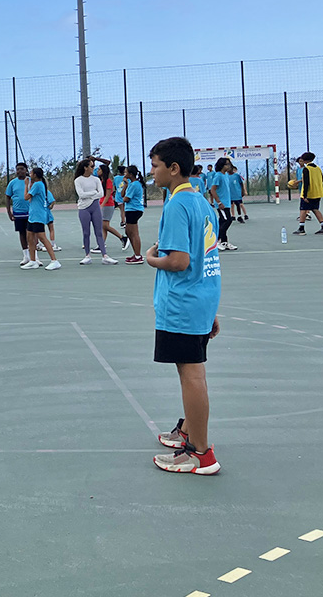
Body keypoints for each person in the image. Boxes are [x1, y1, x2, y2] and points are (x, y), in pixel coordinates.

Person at [145, 136, 222, 475]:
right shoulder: (202, 203)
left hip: (182, 303)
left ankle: (200, 453)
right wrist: (211, 309)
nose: (152, 172)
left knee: (191, 374)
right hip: (201, 299)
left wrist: (151, 259)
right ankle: (189, 433)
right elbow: (206, 258)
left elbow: (178, 260)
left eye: (156, 166)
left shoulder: (176, 204)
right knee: (193, 372)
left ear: (173, 169)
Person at [74, 160, 114, 265]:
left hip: (95, 207)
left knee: (99, 232)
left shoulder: (96, 179)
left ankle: (104, 256)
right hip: (84, 208)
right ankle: (87, 255)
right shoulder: (78, 180)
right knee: (86, 232)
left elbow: (101, 194)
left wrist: (91, 195)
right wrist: (93, 193)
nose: (93, 168)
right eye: (91, 166)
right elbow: (81, 195)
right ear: (85, 168)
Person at [21, 167, 60, 270]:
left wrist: (26, 185)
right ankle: (33, 261)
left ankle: (54, 261)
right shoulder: (36, 185)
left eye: (31, 173)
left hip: (38, 215)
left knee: (42, 237)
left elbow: (26, 197)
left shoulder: (38, 184)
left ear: (35, 175)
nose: (29, 174)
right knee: (30, 236)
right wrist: (29, 185)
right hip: (33, 215)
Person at [290, 152, 323, 235]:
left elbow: (306, 182)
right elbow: (322, 179)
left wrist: (304, 195)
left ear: (304, 160)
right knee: (315, 209)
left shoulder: (306, 169)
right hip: (318, 193)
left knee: (303, 210)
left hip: (309, 193)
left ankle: (301, 229)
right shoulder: (318, 168)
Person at [207, 158, 236, 252]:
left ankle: (224, 242)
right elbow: (213, 190)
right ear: (222, 165)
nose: (228, 166)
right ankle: (217, 241)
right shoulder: (218, 176)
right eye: (226, 164)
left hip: (227, 203)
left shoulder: (226, 175)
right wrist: (219, 202)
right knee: (227, 220)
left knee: (222, 221)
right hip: (221, 204)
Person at [4, 162, 31, 265]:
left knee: (31, 234)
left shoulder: (30, 182)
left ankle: (34, 256)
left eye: (21, 169)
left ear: (26, 170)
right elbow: (7, 196)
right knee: (22, 233)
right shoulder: (12, 183)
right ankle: (26, 256)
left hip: (30, 212)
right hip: (18, 213)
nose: (19, 171)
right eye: (18, 169)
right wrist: (9, 211)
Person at [95, 163, 126, 249]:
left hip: (107, 205)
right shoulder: (101, 181)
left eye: (99, 169)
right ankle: (101, 245)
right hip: (103, 204)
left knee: (105, 225)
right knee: (104, 226)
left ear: (103, 171)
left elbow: (108, 195)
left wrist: (102, 205)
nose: (97, 171)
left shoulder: (108, 181)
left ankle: (122, 237)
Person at [122, 165, 146, 264]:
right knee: (128, 232)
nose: (124, 174)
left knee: (134, 233)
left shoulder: (135, 185)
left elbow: (126, 198)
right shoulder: (131, 184)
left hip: (134, 210)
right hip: (131, 210)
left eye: (126, 172)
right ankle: (135, 254)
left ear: (131, 174)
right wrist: (125, 185)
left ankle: (138, 256)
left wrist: (122, 199)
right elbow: (123, 194)